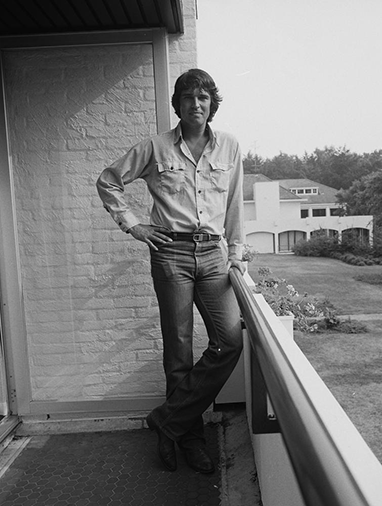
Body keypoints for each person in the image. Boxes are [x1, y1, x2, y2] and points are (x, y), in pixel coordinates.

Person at [96, 69, 245, 474]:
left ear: (212, 104)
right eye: (188, 97)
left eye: (203, 97)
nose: (196, 104)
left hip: (214, 255)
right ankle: (191, 439)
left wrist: (237, 253)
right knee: (178, 351)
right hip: (171, 255)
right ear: (178, 104)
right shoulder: (156, 147)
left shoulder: (229, 146)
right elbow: (109, 181)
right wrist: (135, 225)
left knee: (229, 342)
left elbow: (234, 203)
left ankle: (167, 421)